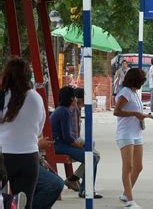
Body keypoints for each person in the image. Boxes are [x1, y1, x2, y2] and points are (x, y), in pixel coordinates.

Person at [0, 57, 46, 209]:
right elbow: (39, 129)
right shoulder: (36, 98)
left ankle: (8, 203)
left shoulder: (2, 97)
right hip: (29, 158)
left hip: (4, 157)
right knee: (26, 203)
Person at [114, 68, 153, 209]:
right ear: (136, 80)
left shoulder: (134, 93)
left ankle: (125, 194)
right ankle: (130, 201)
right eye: (141, 80)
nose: (143, 82)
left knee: (138, 167)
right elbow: (117, 111)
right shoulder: (126, 92)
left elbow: (138, 113)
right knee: (128, 167)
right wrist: (135, 114)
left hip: (137, 133)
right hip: (125, 134)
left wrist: (148, 116)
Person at [50, 86, 102, 199]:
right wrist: (81, 148)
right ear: (71, 99)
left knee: (92, 156)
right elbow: (68, 138)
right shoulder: (65, 112)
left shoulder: (61, 110)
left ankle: (83, 186)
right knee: (91, 157)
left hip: (59, 144)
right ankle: (85, 190)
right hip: (59, 145)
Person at [64, 88, 101, 192]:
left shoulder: (76, 109)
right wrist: (80, 146)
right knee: (94, 156)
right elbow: (72, 135)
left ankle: (74, 178)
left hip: (74, 140)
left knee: (93, 151)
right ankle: (75, 180)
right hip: (72, 142)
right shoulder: (72, 110)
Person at [32, 137, 64, 209]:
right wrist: (36, 145)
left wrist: (41, 159)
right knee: (53, 184)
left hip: (30, 158)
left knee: (55, 183)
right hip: (15, 158)